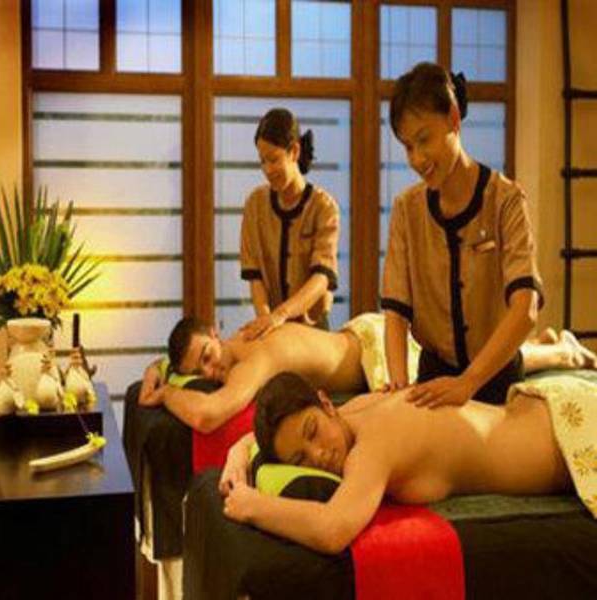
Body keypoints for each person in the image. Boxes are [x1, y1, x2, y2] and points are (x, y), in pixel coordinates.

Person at [221, 371, 596, 554]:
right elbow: (271, 437)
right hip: (546, 408)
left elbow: (332, 530)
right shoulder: (356, 411)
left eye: (313, 431)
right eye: (301, 459)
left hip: (568, 436)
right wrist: (238, 450)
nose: (318, 454)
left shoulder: (373, 446)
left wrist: (253, 506)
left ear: (326, 403)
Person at [381, 62, 544, 406]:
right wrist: (398, 386)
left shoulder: (506, 199)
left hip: (497, 377)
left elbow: (525, 308)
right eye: (408, 146)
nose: (417, 158)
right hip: (433, 376)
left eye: (424, 139)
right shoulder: (406, 209)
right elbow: (395, 312)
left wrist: (468, 383)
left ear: (453, 119)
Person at [138, 313, 596, 433]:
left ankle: (564, 355)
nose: (212, 369)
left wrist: (164, 396)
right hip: (359, 335)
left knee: (470, 377)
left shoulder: (255, 359)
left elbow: (208, 415)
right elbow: (173, 364)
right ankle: (548, 345)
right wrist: (155, 370)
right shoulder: (241, 340)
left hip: (371, 354)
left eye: (208, 355)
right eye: (200, 370)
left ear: (214, 333)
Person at [240, 108, 340, 340]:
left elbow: (322, 278)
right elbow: (255, 275)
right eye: (262, 161)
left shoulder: (324, 207)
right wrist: (266, 321)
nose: (267, 170)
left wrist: (281, 314)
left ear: (294, 151)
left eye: (274, 159)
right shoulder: (255, 204)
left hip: (313, 330)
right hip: (273, 327)